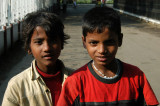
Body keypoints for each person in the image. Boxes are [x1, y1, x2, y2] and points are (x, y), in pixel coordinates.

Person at [57, 6, 159, 106]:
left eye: (109, 42)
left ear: (120, 40)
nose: (102, 50)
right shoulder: (75, 82)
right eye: (94, 43)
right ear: (84, 42)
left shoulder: (136, 76)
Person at [2, 11, 73, 106]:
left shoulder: (77, 79)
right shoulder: (17, 85)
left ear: (61, 44)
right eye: (39, 42)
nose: (47, 48)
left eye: (53, 40)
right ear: (29, 48)